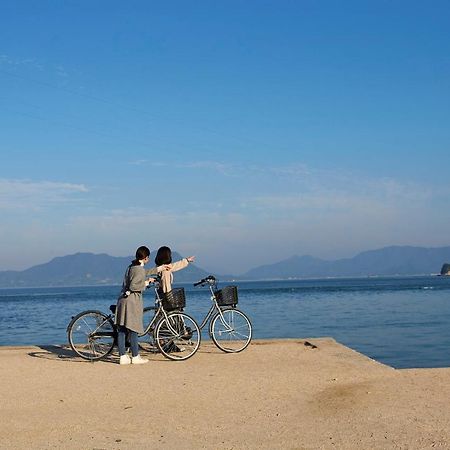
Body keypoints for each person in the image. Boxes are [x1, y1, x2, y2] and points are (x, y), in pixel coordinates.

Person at [115, 245, 154, 365]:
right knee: (133, 329)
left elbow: (142, 273)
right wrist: (146, 283)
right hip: (132, 302)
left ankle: (122, 356)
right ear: (146, 258)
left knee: (122, 329)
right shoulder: (139, 269)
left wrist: (159, 269)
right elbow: (134, 286)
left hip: (123, 299)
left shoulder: (131, 266)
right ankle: (135, 356)